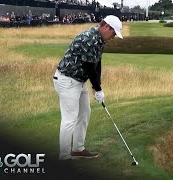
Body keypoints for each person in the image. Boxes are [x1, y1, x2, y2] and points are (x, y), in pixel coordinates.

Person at [53, 15, 123, 160]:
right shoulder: (89, 39)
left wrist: (98, 87)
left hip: (79, 81)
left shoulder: (100, 40)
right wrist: (97, 89)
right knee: (69, 119)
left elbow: (98, 64)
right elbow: (90, 67)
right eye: (114, 33)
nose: (114, 36)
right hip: (67, 80)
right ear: (106, 27)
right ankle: (64, 156)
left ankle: (78, 149)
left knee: (85, 112)